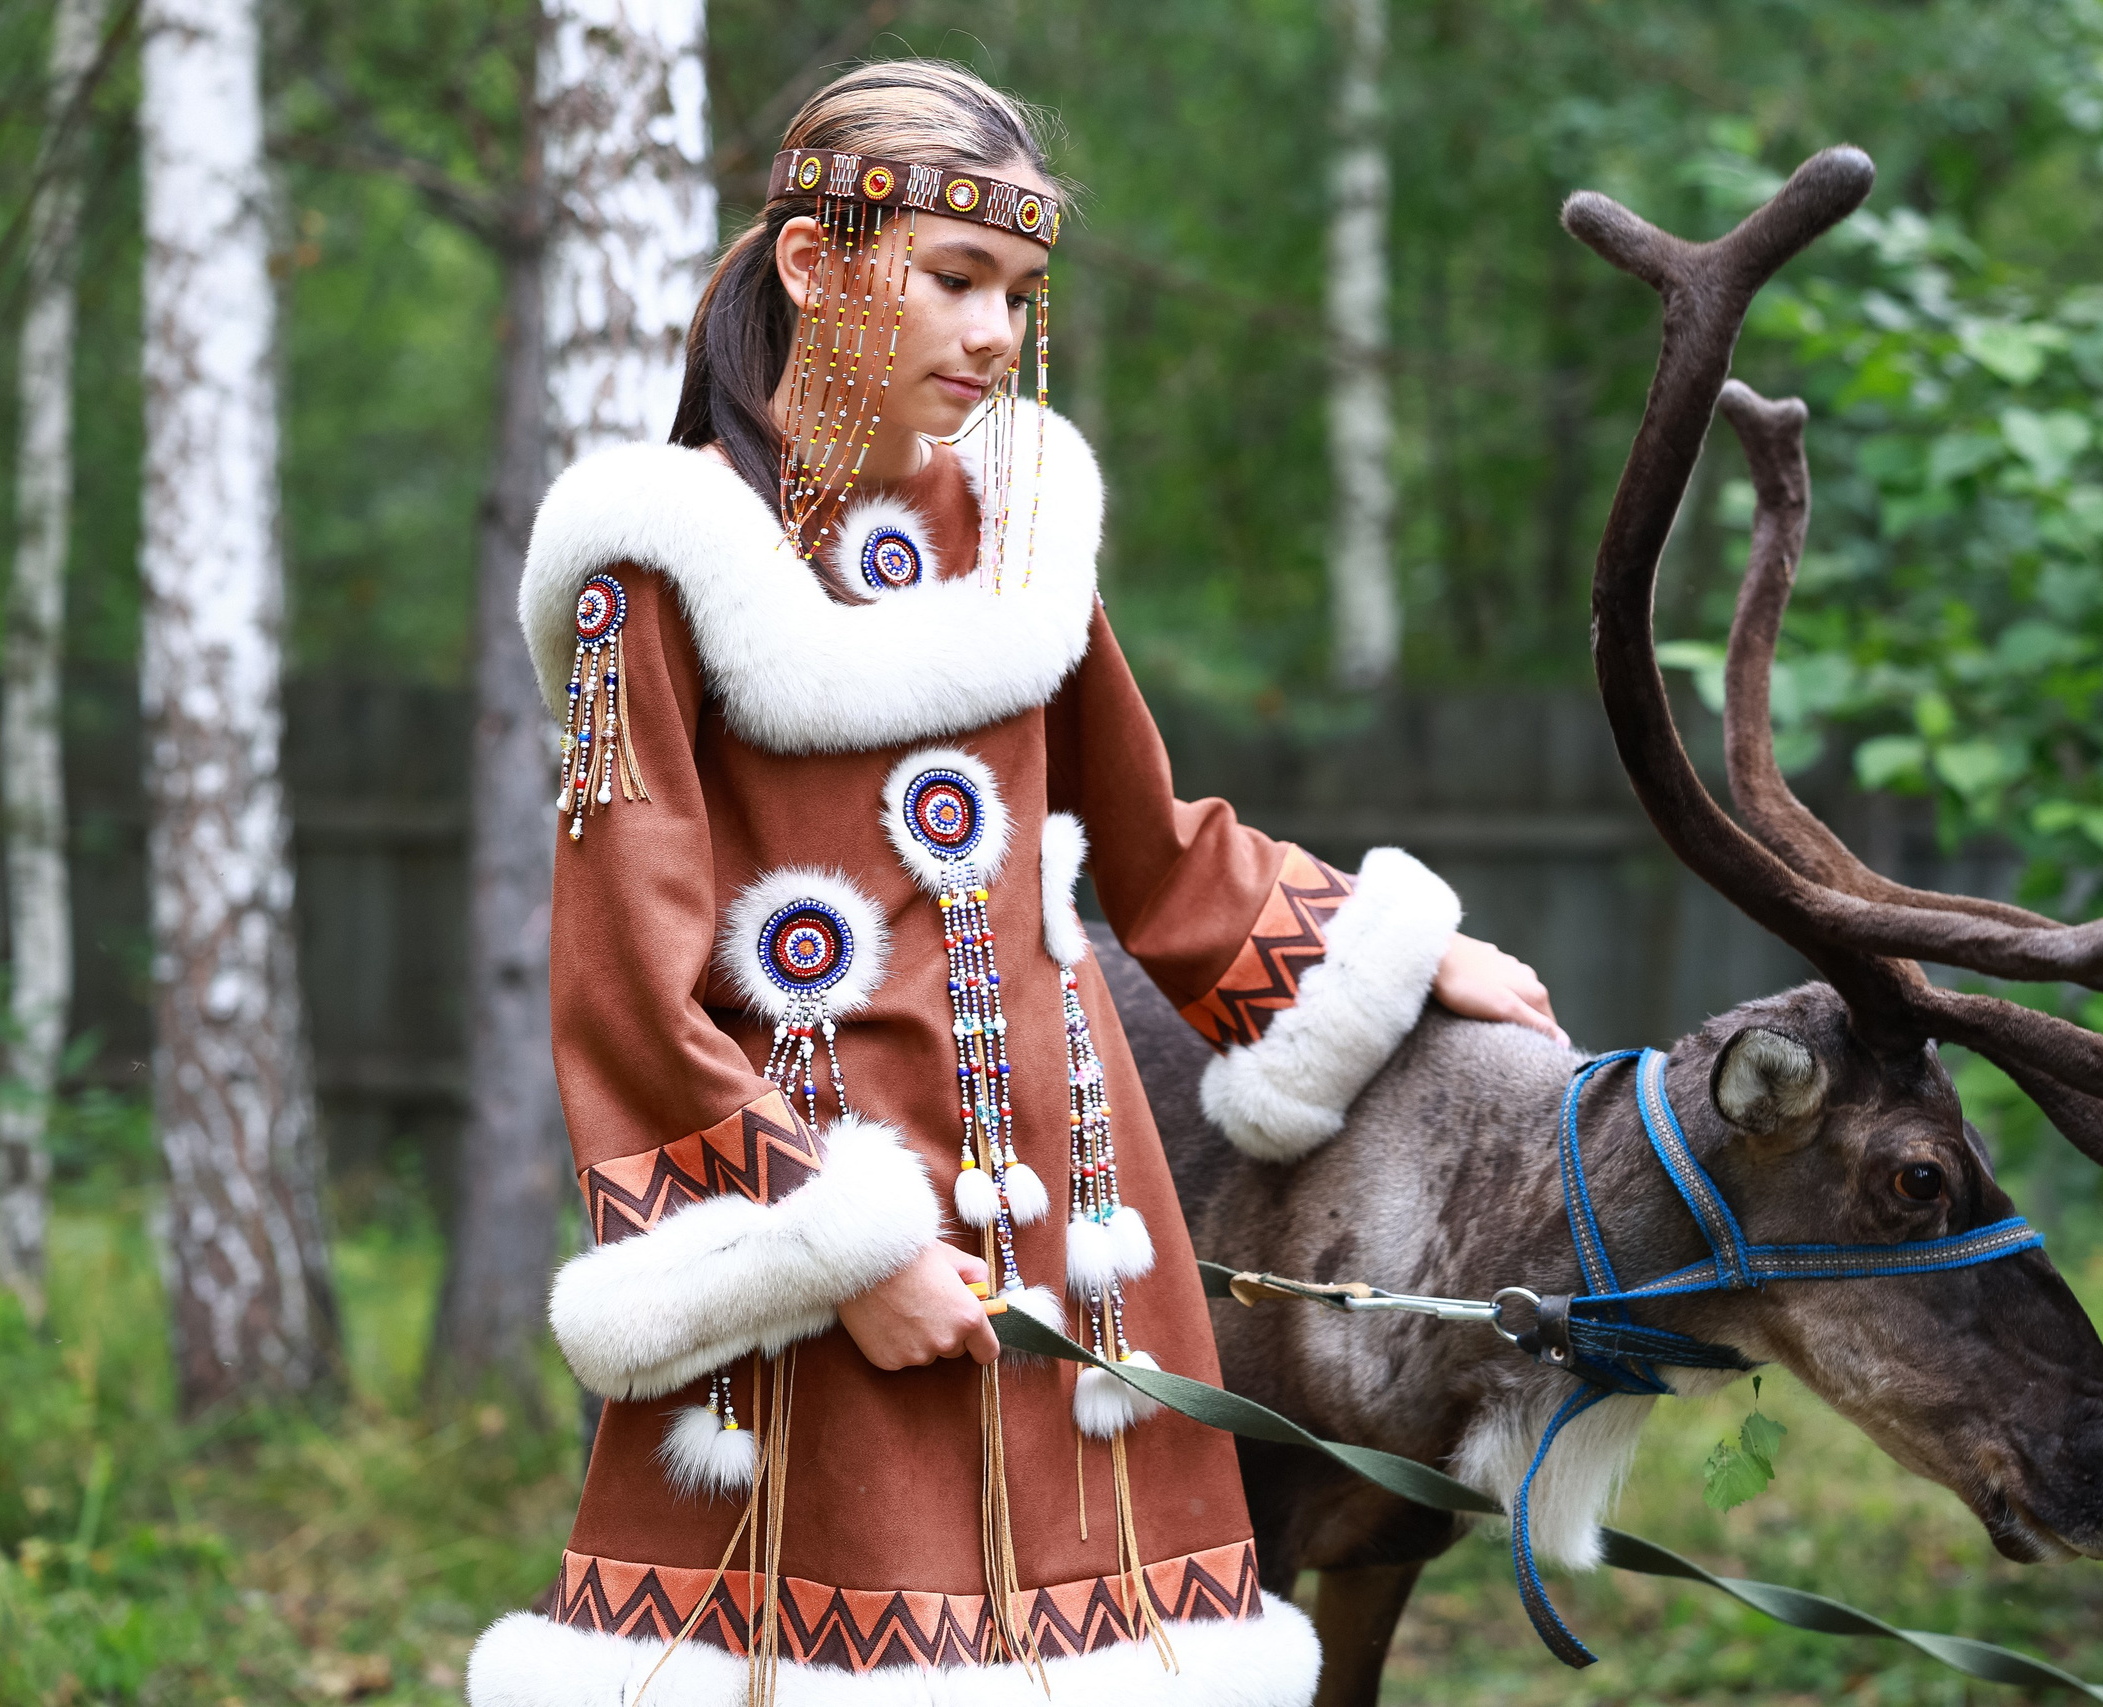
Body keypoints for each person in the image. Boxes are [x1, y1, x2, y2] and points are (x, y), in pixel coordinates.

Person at [466, 58, 1562, 1707]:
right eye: (953, 278)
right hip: (833, 1208)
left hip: (1078, 1220)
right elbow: (625, 985)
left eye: (1019, 294)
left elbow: (1159, 841)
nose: (991, 333)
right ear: (817, 264)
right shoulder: (659, 570)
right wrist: (840, 1253)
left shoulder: (1025, 533)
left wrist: (1392, 956)